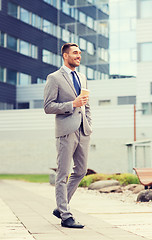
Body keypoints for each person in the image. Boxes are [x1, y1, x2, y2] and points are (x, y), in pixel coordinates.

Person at [44, 43, 92, 228]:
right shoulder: (54, 78)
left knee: (80, 171)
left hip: (83, 130)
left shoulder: (82, 77)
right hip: (65, 131)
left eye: (79, 53)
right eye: (75, 53)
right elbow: (48, 106)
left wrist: (88, 123)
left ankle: (60, 207)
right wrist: (72, 104)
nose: (79, 56)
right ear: (65, 56)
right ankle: (65, 215)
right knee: (63, 174)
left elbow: (86, 104)